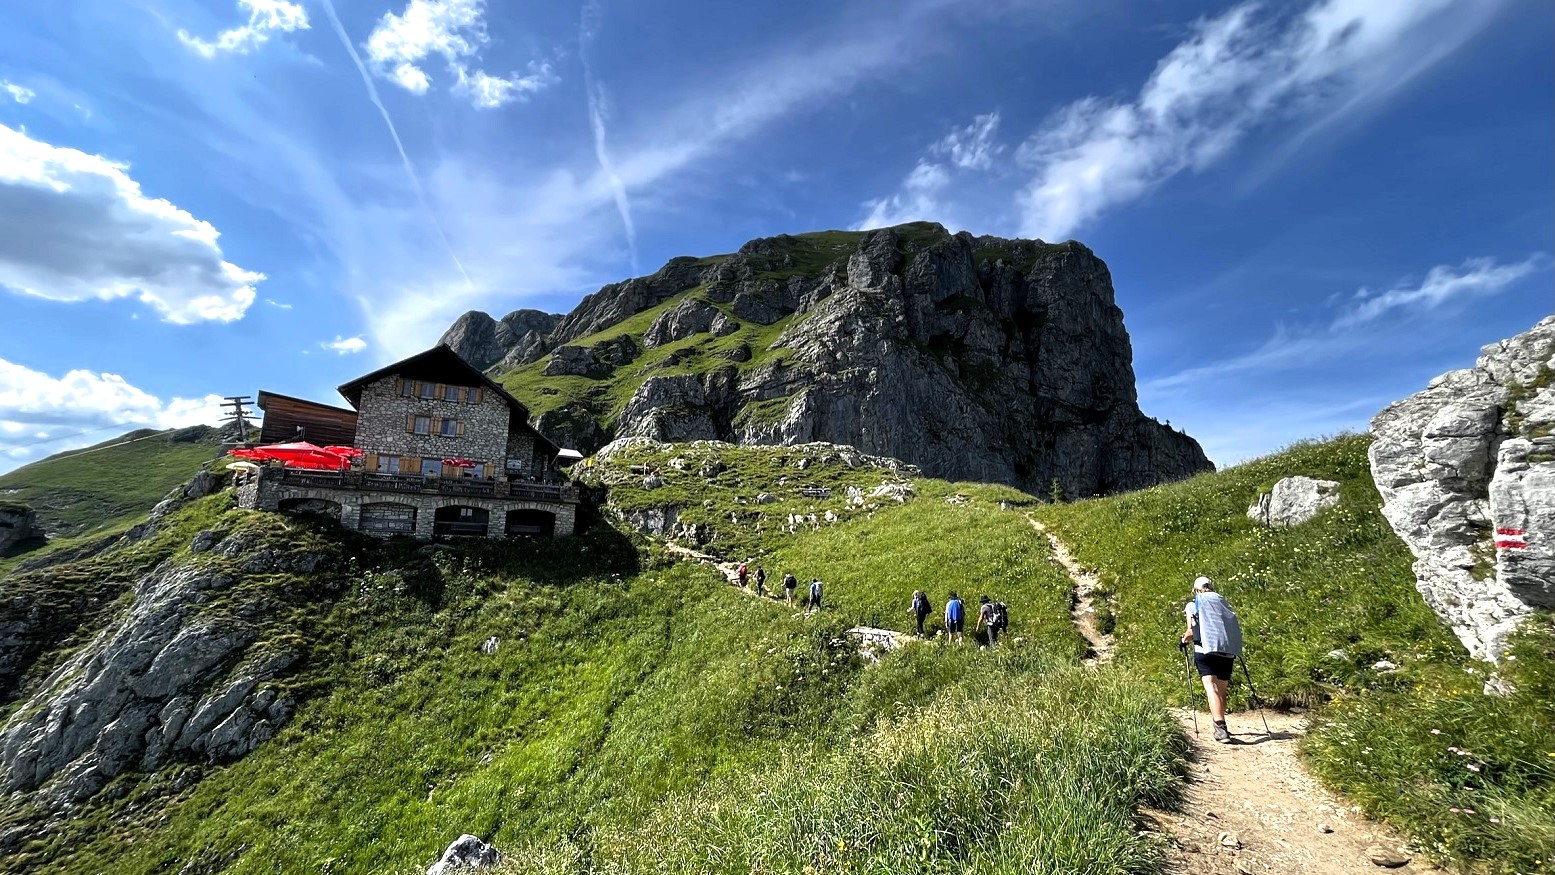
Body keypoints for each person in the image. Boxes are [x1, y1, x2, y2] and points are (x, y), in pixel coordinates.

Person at [1181, 576, 1243, 743]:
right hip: (1227, 651)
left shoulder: (1193, 605)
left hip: (1204, 650)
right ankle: (1222, 724)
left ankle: (1220, 727)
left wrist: (1183, 639)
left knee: (1211, 687)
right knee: (1221, 690)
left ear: (1195, 590)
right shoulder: (1222, 603)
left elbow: (1192, 631)